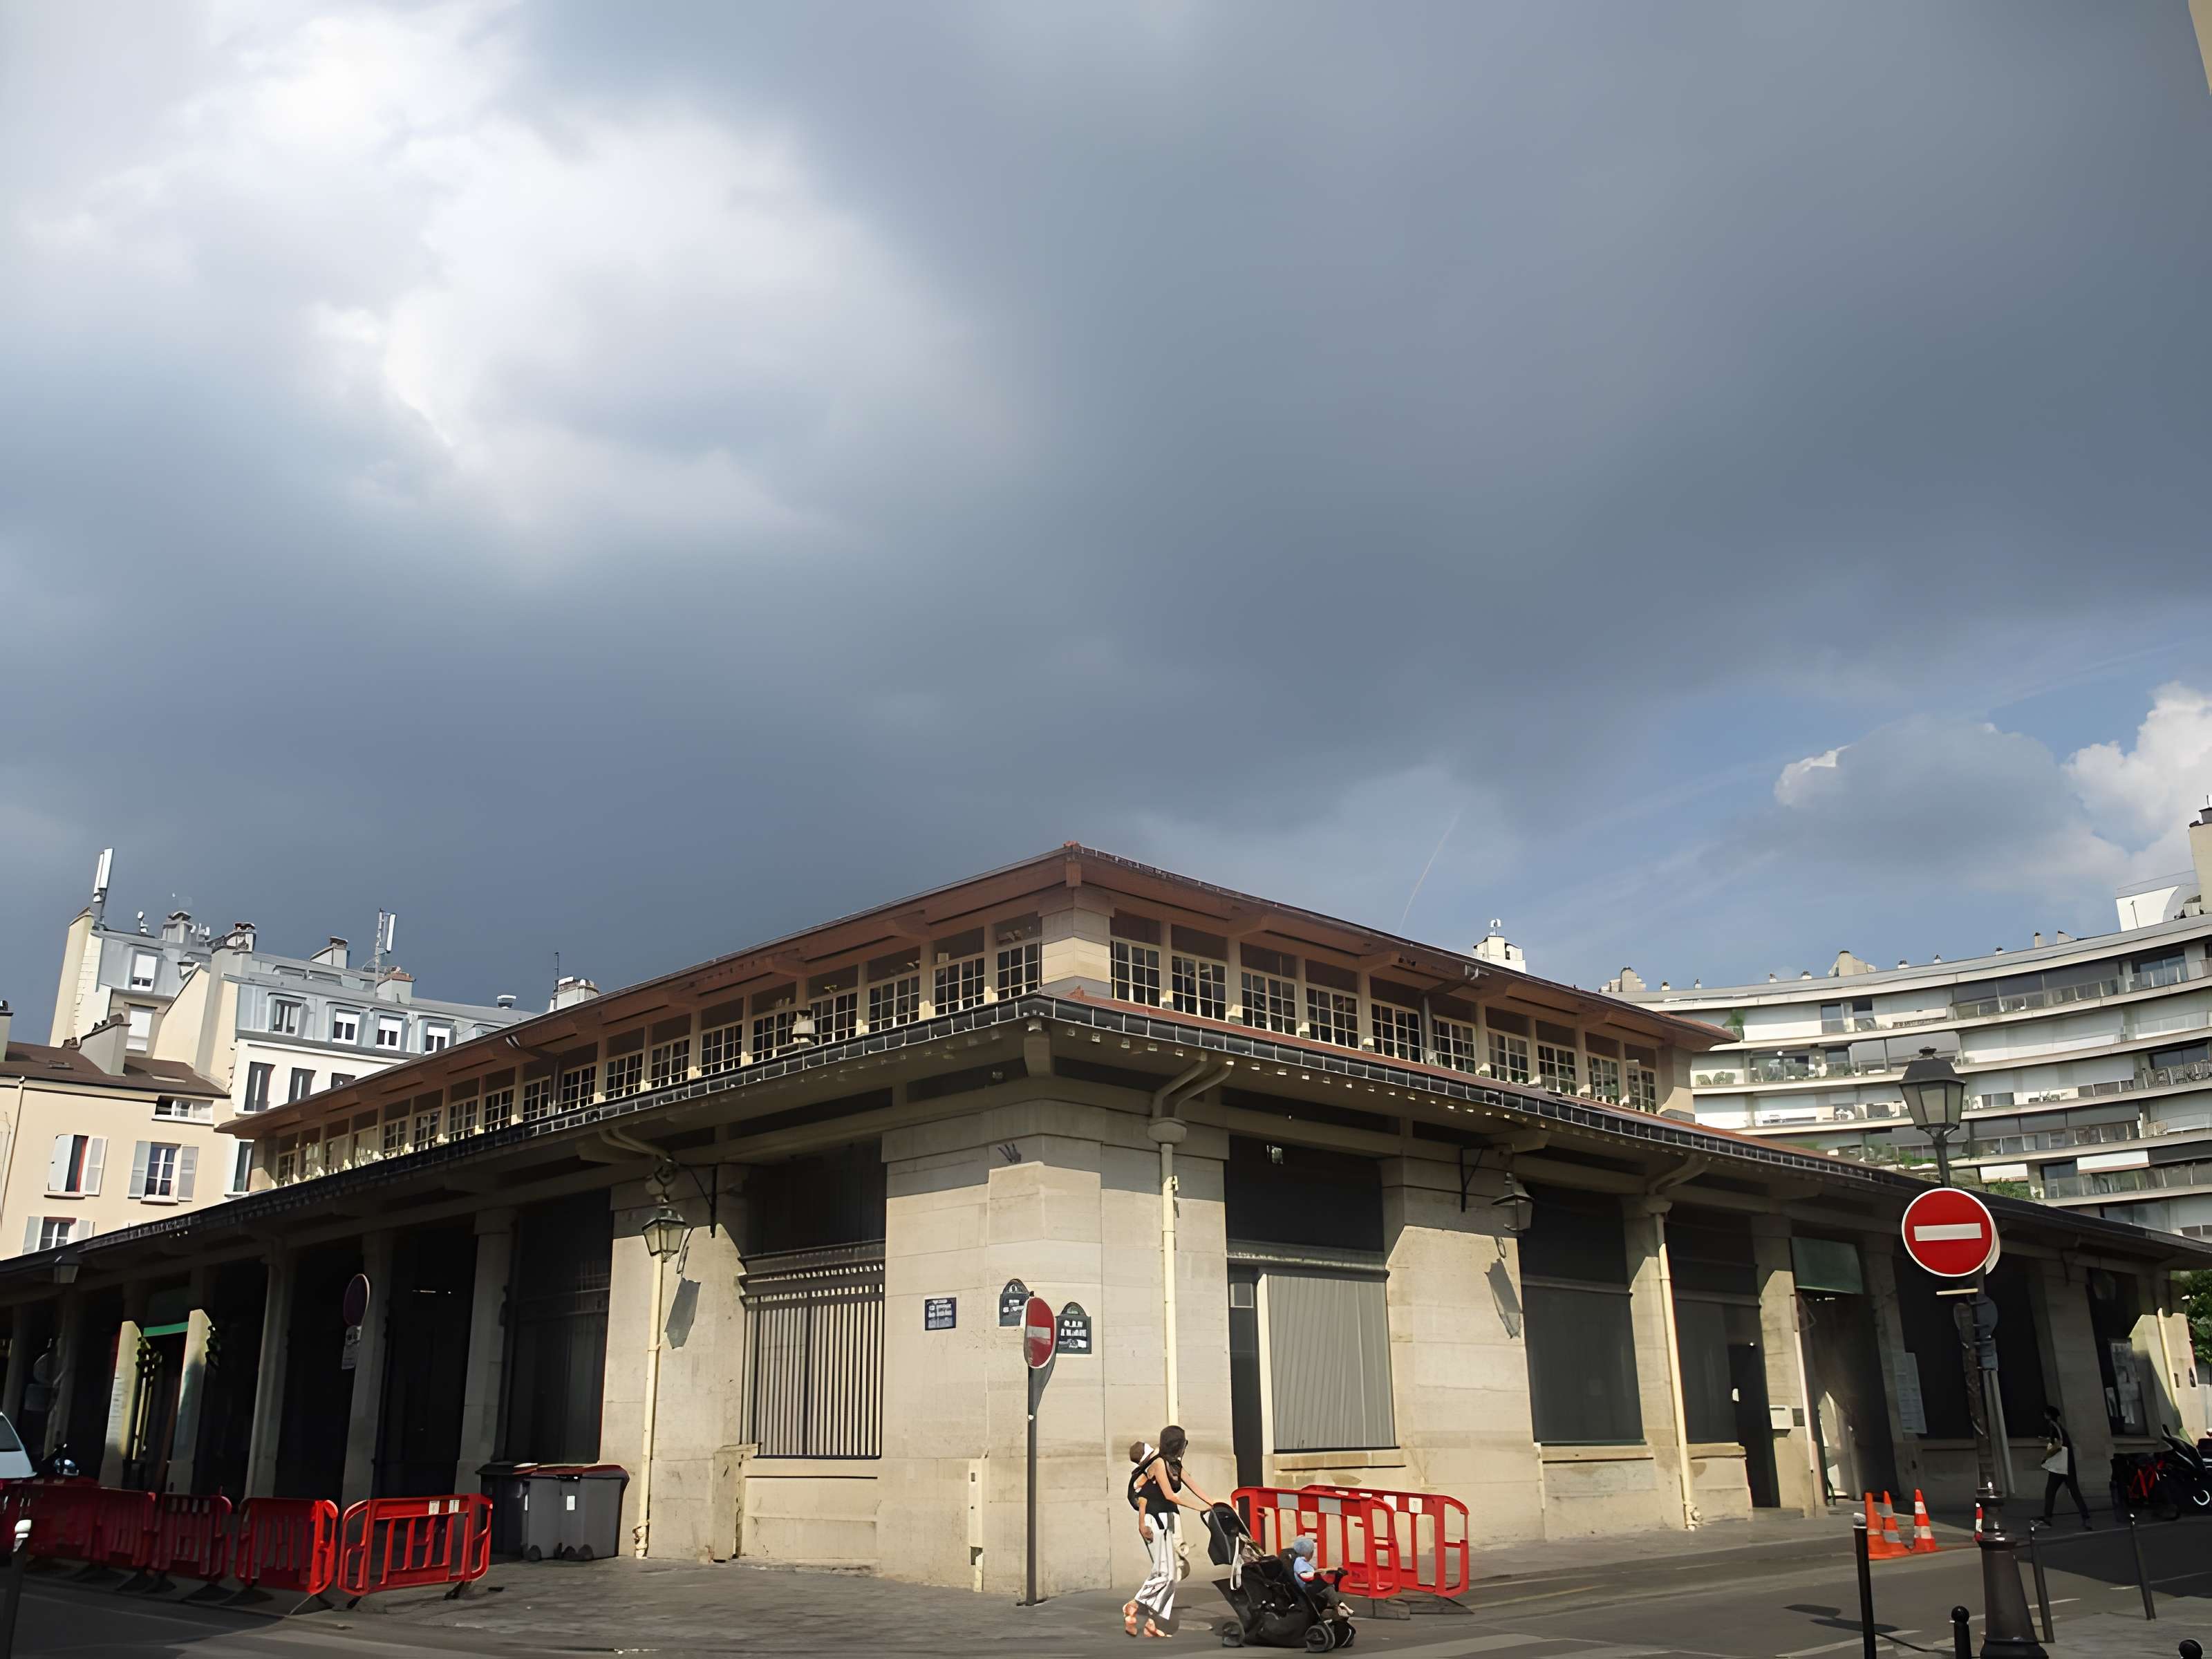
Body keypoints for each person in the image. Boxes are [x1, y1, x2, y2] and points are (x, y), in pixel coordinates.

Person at [1124, 1425, 1215, 1639]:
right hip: (1154, 1521)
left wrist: (1213, 1502)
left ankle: (1147, 1619)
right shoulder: (1158, 1464)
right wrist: (1200, 1507)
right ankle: (1138, 1608)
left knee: (1170, 1574)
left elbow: (1193, 1485)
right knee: (1165, 1574)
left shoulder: (1175, 1465)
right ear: (1179, 1446)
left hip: (1167, 1519)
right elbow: (1170, 1495)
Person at [2041, 1405, 2091, 1528]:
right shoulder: (2059, 1427)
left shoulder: (2053, 1426)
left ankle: (2047, 1518)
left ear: (2048, 1415)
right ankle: (2085, 1516)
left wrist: (2046, 1458)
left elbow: (2058, 1444)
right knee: (2074, 1490)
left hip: (2060, 1464)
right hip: (2067, 1464)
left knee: (2050, 1490)